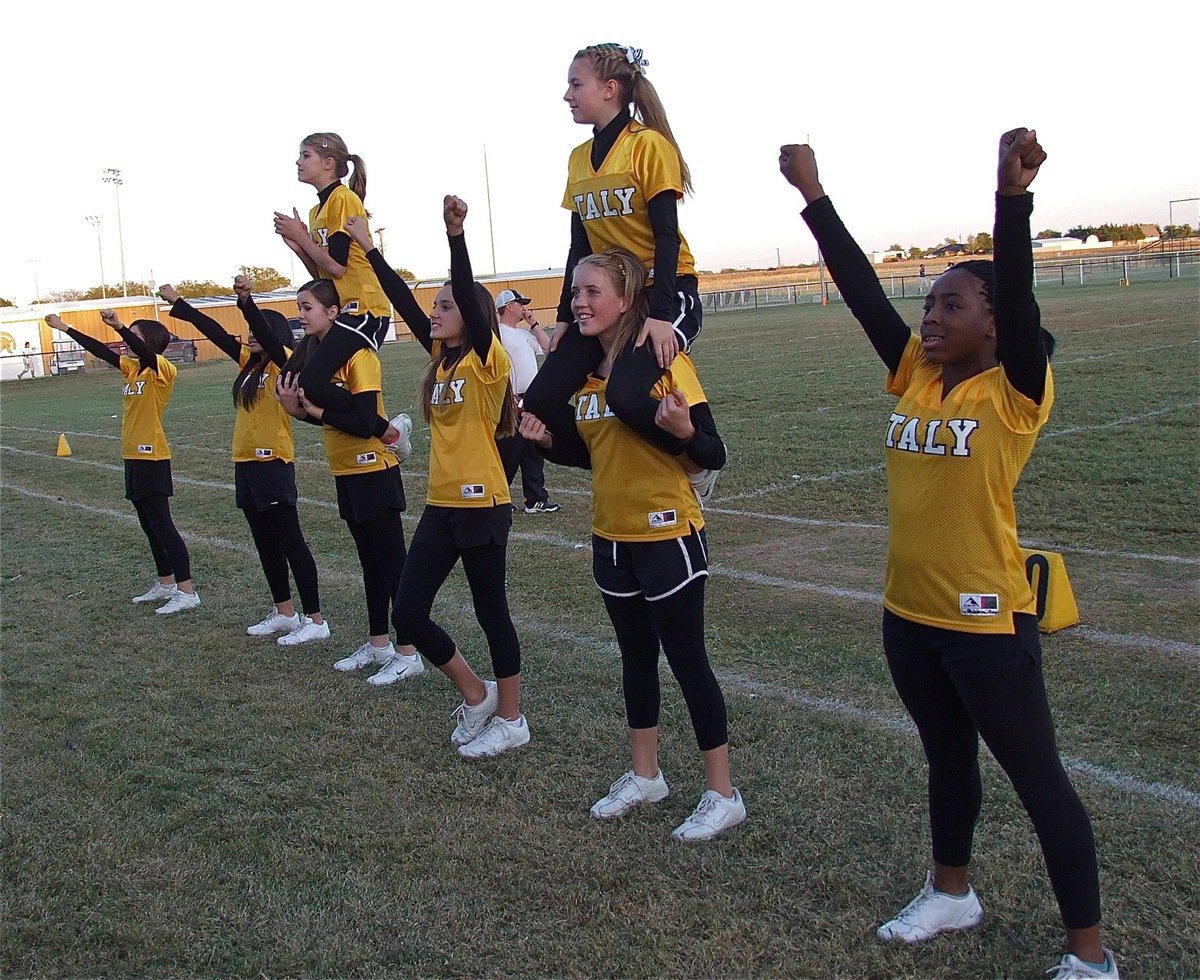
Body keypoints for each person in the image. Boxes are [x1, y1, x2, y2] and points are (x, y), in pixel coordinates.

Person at [778, 133, 1118, 979]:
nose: (931, 317)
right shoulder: (918, 375)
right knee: (946, 761)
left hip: (985, 619)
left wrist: (1012, 197)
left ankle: (1091, 957)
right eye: (929, 305)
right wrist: (815, 198)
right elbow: (861, 294)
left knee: (1040, 783)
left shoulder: (1016, 390)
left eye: (951, 306)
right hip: (909, 613)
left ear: (997, 324)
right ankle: (952, 892)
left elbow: (1024, 291)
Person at [520, 248, 744, 841]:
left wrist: (685, 431)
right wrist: (546, 441)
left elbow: (712, 452)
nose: (579, 302)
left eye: (593, 292)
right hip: (610, 538)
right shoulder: (590, 375)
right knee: (636, 660)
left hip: (668, 535)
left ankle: (723, 794)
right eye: (575, 291)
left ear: (627, 300)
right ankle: (646, 775)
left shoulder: (666, 360)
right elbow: (594, 453)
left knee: (688, 661)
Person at [345, 197, 528, 759]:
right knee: (408, 611)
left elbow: (472, 305)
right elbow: (401, 302)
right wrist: (372, 251)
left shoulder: (486, 359)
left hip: (483, 503)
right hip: (441, 504)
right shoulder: (443, 362)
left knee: (489, 608)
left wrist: (456, 237)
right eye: (435, 306)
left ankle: (512, 718)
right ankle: (476, 694)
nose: (434, 313)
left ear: (469, 314)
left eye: (445, 306)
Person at [522, 42, 718, 506]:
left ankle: (697, 460)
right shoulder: (577, 158)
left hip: (661, 292)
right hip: (607, 300)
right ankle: (603, 456)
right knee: (541, 403)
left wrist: (661, 312)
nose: (567, 95)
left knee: (627, 395)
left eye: (575, 84)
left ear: (610, 89)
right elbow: (579, 245)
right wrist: (567, 317)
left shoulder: (647, 145)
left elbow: (667, 237)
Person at [159, 279, 328, 646]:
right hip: (246, 463)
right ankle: (284, 612)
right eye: (249, 330)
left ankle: (315, 619)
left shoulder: (286, 361)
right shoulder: (248, 365)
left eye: (257, 329)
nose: (251, 335)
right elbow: (214, 331)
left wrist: (246, 302)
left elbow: (268, 337)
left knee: (290, 542)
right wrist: (179, 303)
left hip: (274, 464)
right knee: (265, 543)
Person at [275, 279, 421, 685]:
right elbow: (320, 413)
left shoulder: (359, 356)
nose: (301, 315)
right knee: (369, 563)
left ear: (333, 312)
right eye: (299, 307)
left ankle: (409, 653)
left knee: (393, 565)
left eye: (308, 307)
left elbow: (360, 422)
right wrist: (296, 411)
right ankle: (379, 645)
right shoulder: (315, 359)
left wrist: (315, 412)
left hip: (374, 469)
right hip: (345, 471)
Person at [45, 310, 199, 615]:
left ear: (150, 342)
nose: (127, 340)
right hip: (132, 455)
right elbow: (99, 350)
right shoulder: (132, 369)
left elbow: (143, 351)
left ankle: (187, 590)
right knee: (148, 524)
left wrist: (120, 327)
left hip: (152, 455)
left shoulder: (162, 369)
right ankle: (166, 582)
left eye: (135, 335)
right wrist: (65, 328)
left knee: (162, 524)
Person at [273, 133, 407, 450]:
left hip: (365, 311)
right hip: (343, 308)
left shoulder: (343, 199)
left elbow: (338, 267)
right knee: (287, 382)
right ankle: (378, 428)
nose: (298, 161)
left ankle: (380, 429)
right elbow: (322, 276)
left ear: (329, 163)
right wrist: (298, 246)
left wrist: (303, 240)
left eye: (305, 155)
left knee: (310, 382)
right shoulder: (314, 212)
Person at [494, 288, 560, 514]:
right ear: (509, 306)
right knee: (508, 450)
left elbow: (549, 349)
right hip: (510, 399)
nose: (524, 308)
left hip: (530, 399)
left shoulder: (523, 334)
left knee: (533, 449)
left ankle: (536, 498)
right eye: (520, 304)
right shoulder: (497, 333)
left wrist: (534, 324)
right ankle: (499, 496)